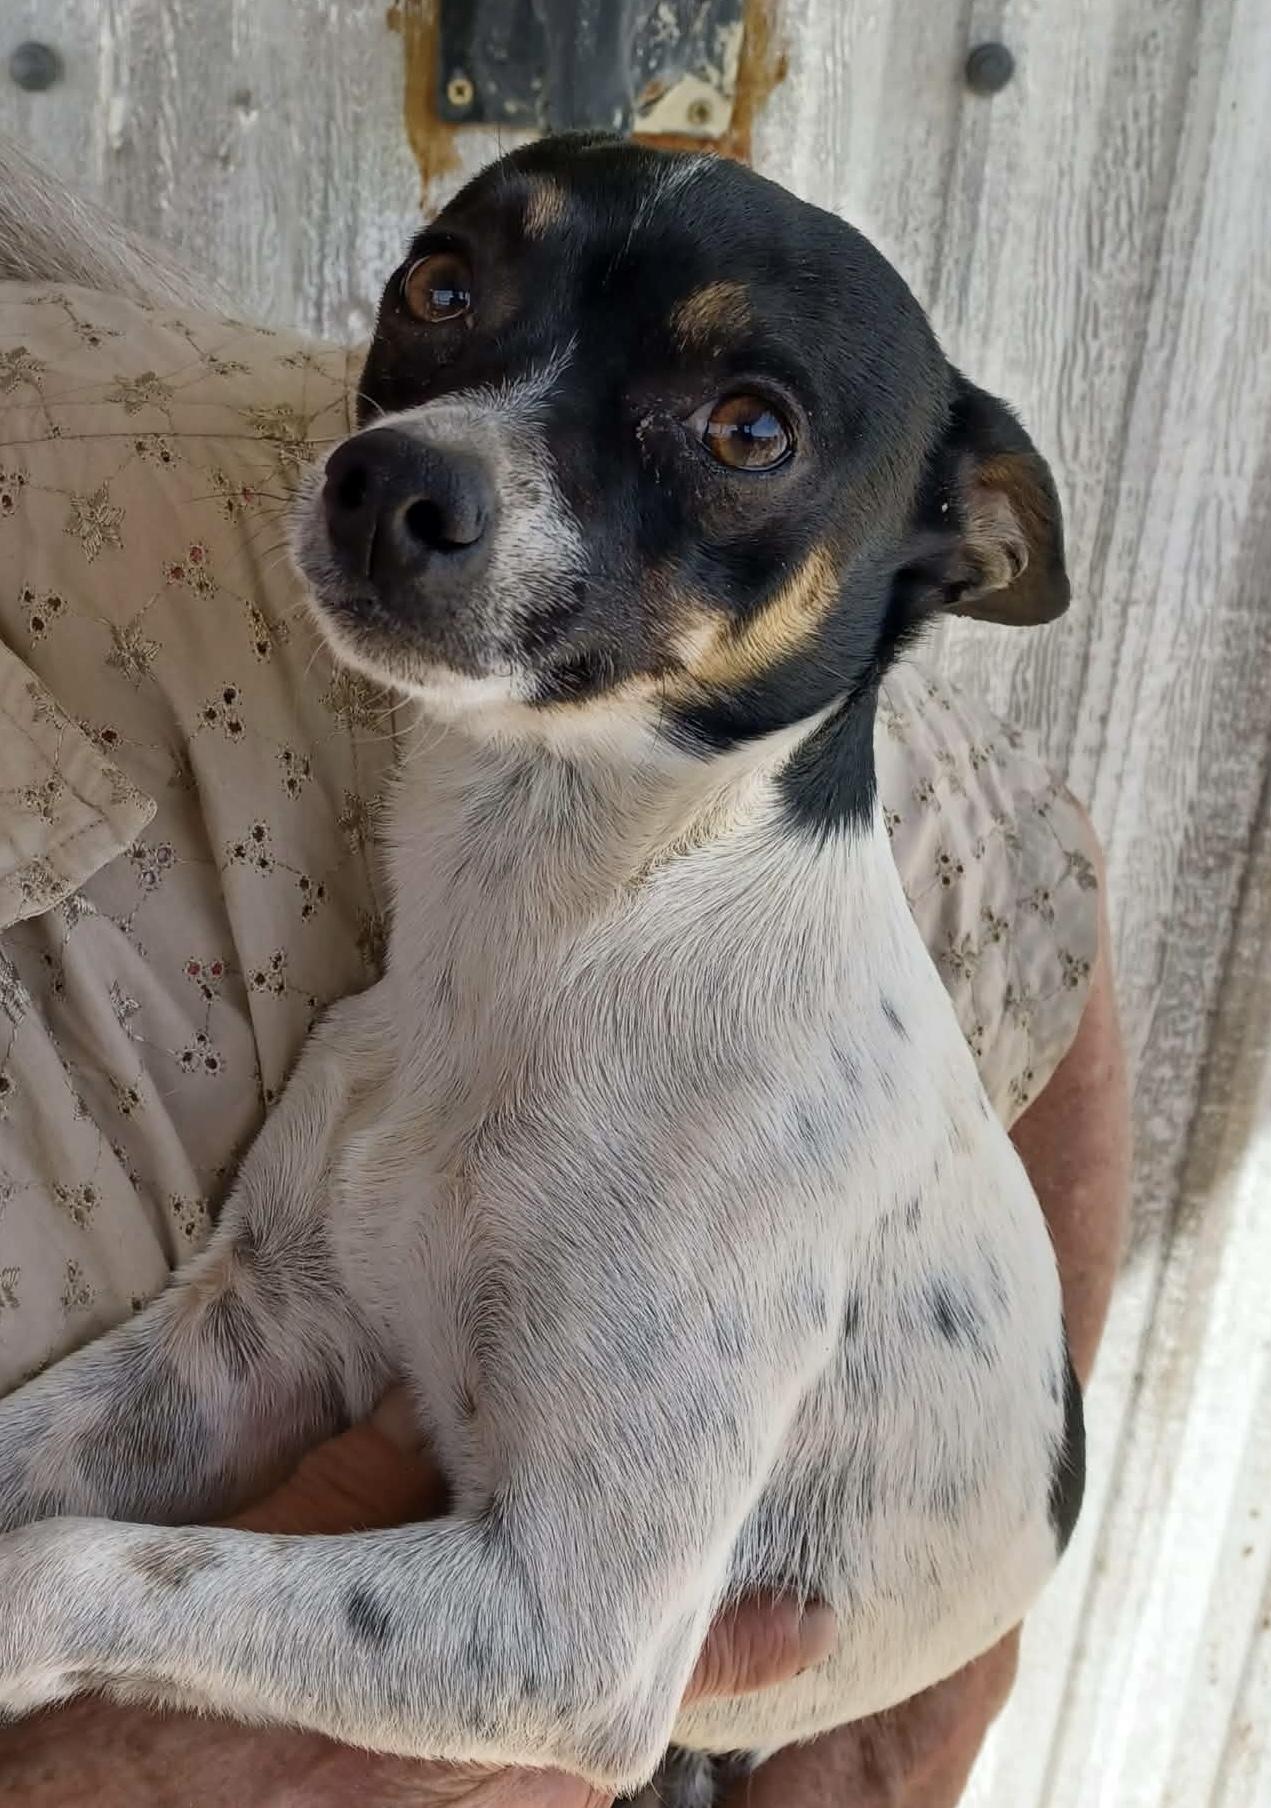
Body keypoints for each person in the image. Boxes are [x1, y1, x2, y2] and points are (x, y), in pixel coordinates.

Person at [0, 277, 1129, 1806]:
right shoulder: (413, 1025)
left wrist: (64, 1603)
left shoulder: (753, 1088)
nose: (438, 452)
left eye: (745, 425)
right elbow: (248, 1352)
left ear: (938, 549)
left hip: (738, 1725)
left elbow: (570, 1672)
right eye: (455, 298)